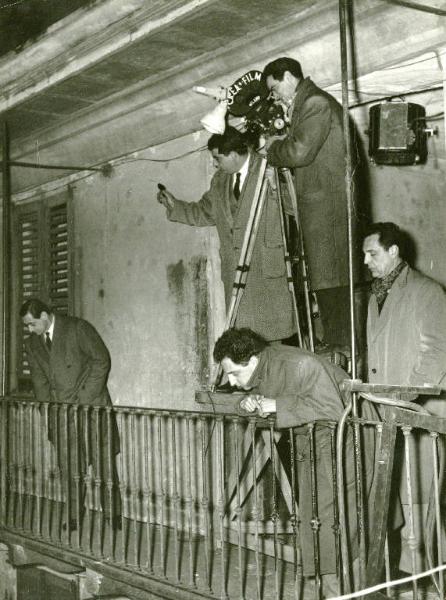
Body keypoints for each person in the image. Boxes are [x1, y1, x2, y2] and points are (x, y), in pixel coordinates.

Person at [213, 327, 377, 596]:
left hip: (346, 437)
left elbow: (335, 410)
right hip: (315, 438)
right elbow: (264, 396)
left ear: (252, 361)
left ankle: (346, 592)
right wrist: (247, 401)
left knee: (336, 520)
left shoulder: (299, 364)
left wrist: (275, 405)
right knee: (315, 519)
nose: (230, 381)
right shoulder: (262, 366)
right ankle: (332, 591)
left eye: (233, 373)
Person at [157, 125, 296, 342]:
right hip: (236, 275)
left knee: (271, 342)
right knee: (246, 343)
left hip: (265, 271)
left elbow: (296, 207)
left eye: (217, 158)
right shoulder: (220, 181)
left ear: (233, 155)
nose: (214, 164)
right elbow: (205, 212)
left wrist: (278, 187)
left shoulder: (270, 167)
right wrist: (175, 206)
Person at [262, 56, 363, 350]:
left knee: (332, 282)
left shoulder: (315, 103)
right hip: (324, 212)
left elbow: (299, 153)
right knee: (328, 281)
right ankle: (337, 343)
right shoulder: (309, 105)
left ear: (288, 78)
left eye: (274, 88)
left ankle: (340, 346)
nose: (275, 96)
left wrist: (272, 149)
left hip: (327, 212)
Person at [363, 222, 446, 573]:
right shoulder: (374, 296)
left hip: (418, 411)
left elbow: (438, 351)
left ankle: (424, 573)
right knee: (395, 495)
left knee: (421, 495)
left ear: (394, 251)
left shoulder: (427, 291)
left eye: (372, 253)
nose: (365, 261)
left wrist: (405, 395)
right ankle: (398, 571)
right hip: (386, 412)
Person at [20, 298, 121, 530]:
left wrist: (84, 397)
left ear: (45, 316)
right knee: (69, 466)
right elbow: (39, 380)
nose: (29, 329)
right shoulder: (33, 344)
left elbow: (101, 360)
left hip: (92, 406)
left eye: (32, 324)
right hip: (62, 412)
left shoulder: (78, 328)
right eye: (27, 325)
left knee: (103, 463)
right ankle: (74, 514)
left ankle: (112, 514)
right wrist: (48, 410)